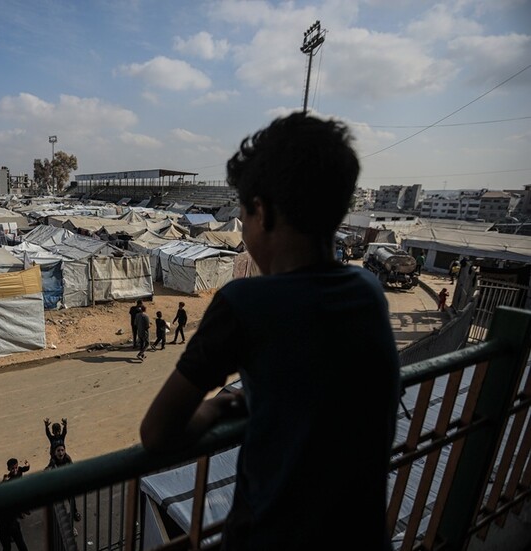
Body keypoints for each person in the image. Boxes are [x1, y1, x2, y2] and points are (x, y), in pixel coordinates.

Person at [140, 112, 400, 550]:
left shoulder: (244, 304)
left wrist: (219, 407)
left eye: (243, 214)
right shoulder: (368, 291)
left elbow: (157, 432)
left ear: (261, 212)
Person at [0, 459, 30, 551]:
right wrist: (4, 481)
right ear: (8, 469)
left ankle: (23, 511)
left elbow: (26, 469)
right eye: (13, 468)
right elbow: (0, 489)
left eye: (16, 467)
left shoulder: (20, 470)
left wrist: (28, 465)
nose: (15, 470)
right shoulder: (9, 478)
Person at [46, 443, 81, 523]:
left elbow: (72, 469)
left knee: (71, 500)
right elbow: (49, 470)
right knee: (60, 504)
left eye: (62, 450)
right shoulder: (53, 462)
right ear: (54, 453)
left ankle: (74, 512)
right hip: (59, 485)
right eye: (58, 450)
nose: (61, 453)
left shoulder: (67, 459)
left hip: (67, 483)